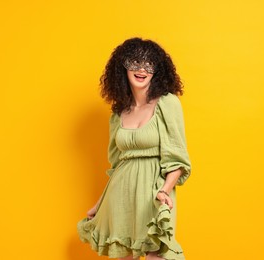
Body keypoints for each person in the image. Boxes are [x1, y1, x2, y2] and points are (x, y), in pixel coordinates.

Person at [77, 37, 191, 260]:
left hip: (153, 192)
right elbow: (117, 165)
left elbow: (178, 158)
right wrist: (99, 204)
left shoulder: (167, 103)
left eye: (149, 64)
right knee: (123, 255)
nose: (142, 69)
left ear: (157, 70)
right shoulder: (119, 112)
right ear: (123, 67)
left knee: (156, 253)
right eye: (135, 62)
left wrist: (164, 191)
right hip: (120, 195)